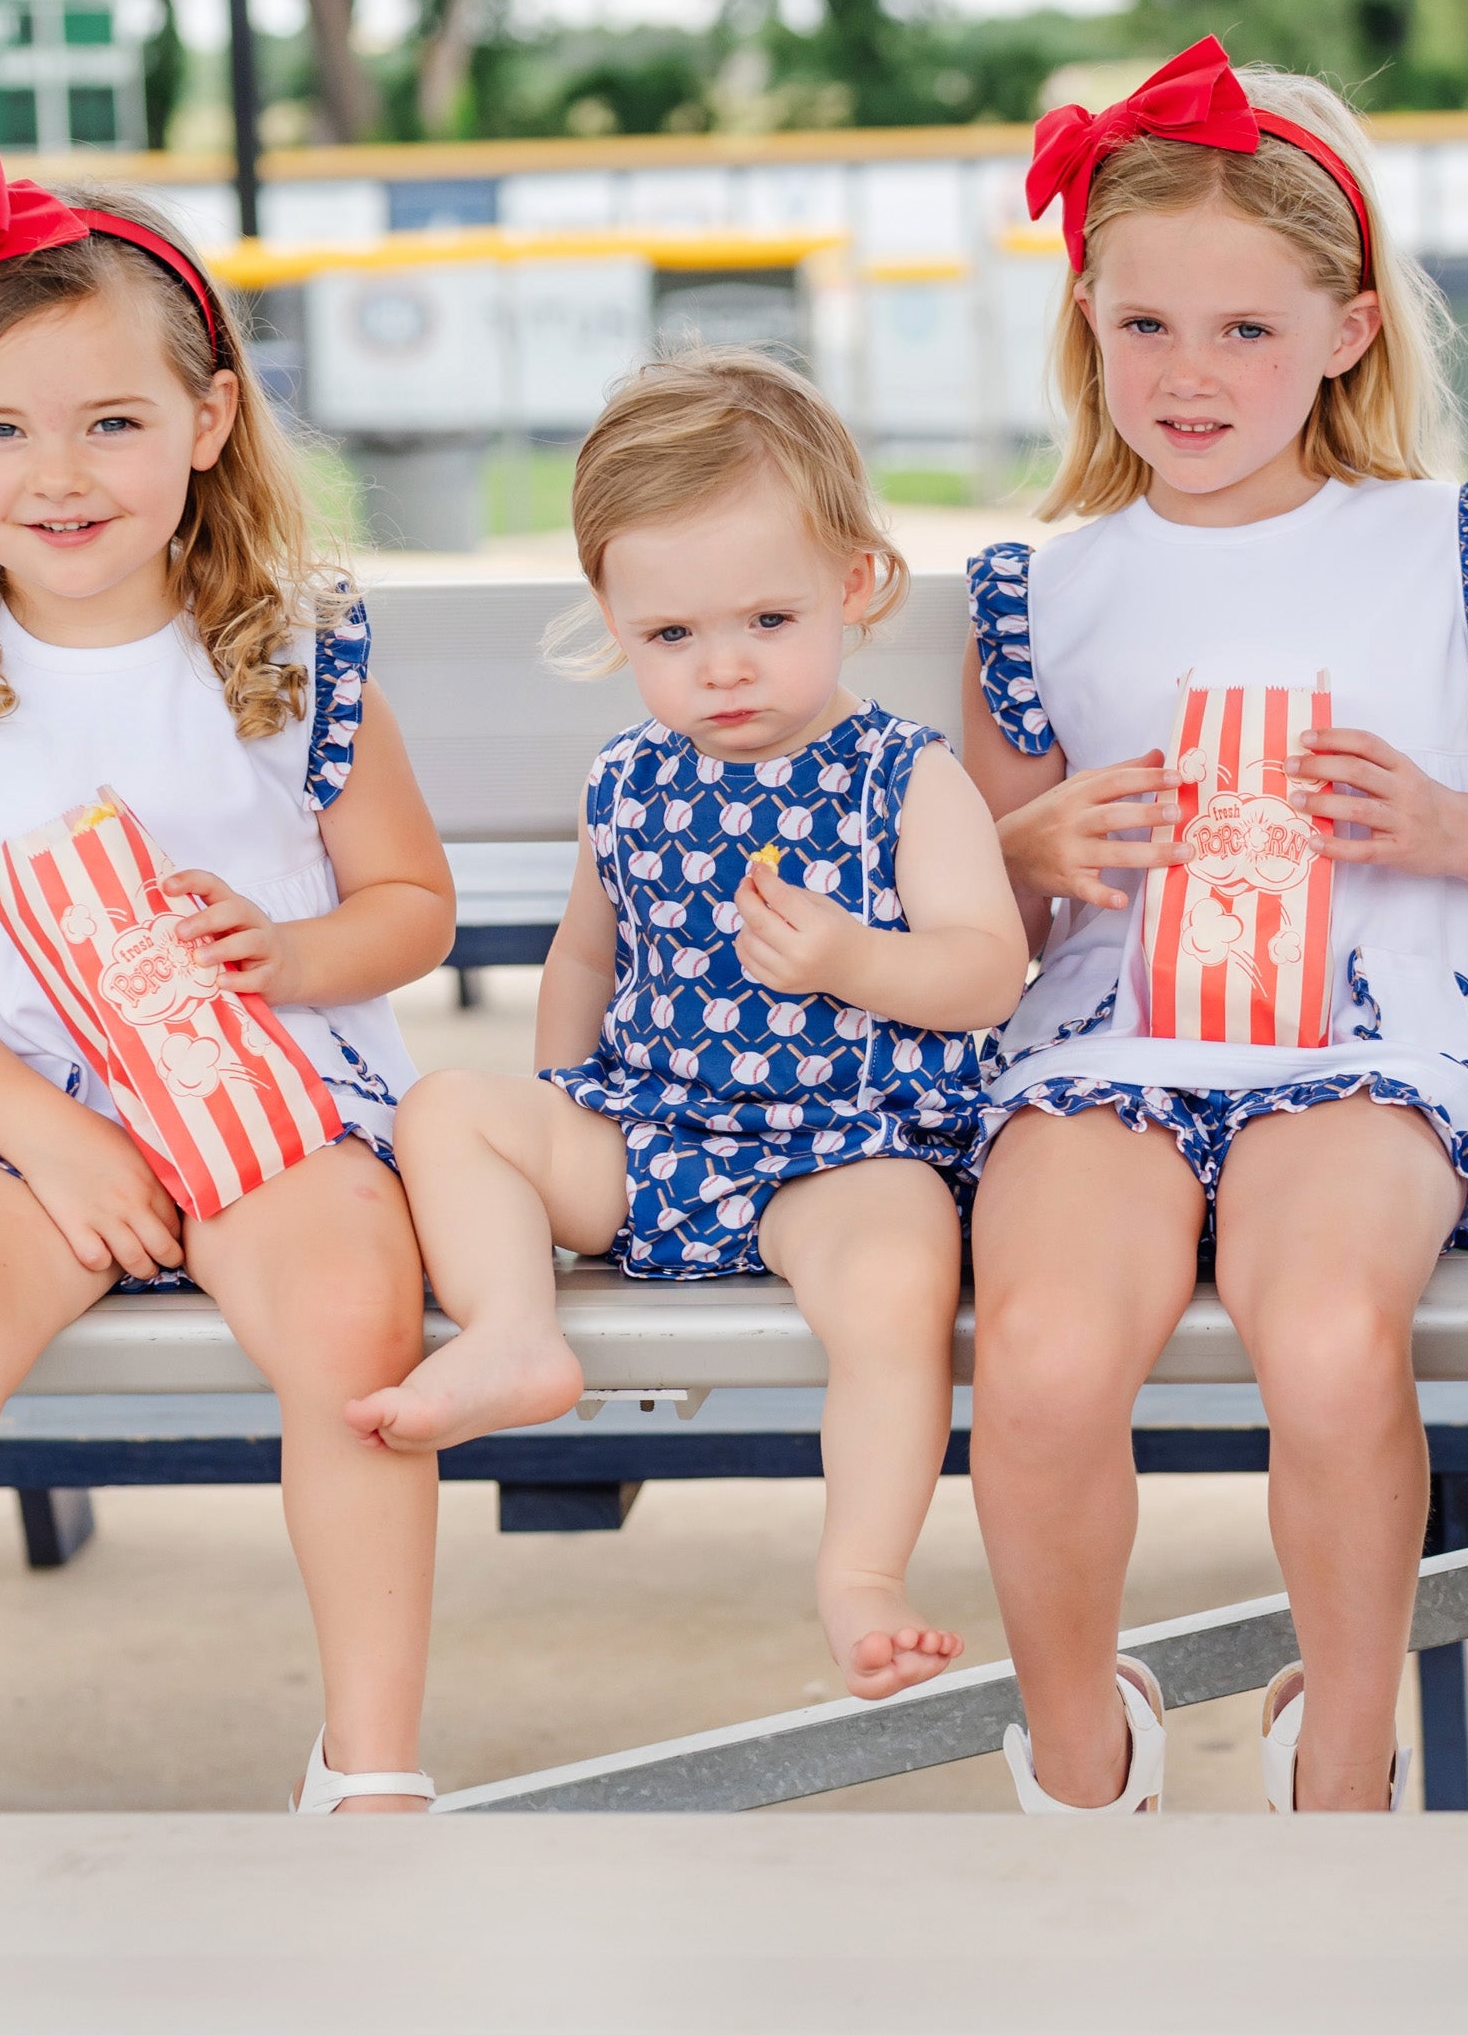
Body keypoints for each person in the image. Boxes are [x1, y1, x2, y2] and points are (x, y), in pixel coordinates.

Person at [961, 39, 1468, 1812]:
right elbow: (976, 919)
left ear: (1347, 330)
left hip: (1369, 1043)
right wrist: (1031, 841)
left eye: (1247, 328)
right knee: (1042, 1356)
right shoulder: (1043, 588)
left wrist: (1453, 826)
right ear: (1087, 321)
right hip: (1110, 1042)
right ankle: (1084, 1760)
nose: (1191, 373)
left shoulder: (1442, 542)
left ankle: (1345, 1755)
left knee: (1322, 1336)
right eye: (1147, 324)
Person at [0, 132, 455, 1816]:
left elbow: (412, 902)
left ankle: (371, 1766)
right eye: (0, 429)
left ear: (210, 419)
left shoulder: (291, 656)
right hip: (18, 1116)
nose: (60, 472)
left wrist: (299, 953)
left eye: (112, 421)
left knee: (355, 1312)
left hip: (271, 1088)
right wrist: (59, 1141)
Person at [355, 352, 1025, 1702]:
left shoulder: (902, 776)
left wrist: (852, 958)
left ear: (855, 585)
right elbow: (586, 954)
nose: (723, 667)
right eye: (670, 636)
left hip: (848, 1152)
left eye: (768, 619)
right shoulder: (628, 779)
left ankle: (862, 1570)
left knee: (898, 1281)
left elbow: (987, 971)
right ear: (613, 617)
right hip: (657, 1138)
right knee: (447, 1108)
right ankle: (514, 1329)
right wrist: (558, 1102)